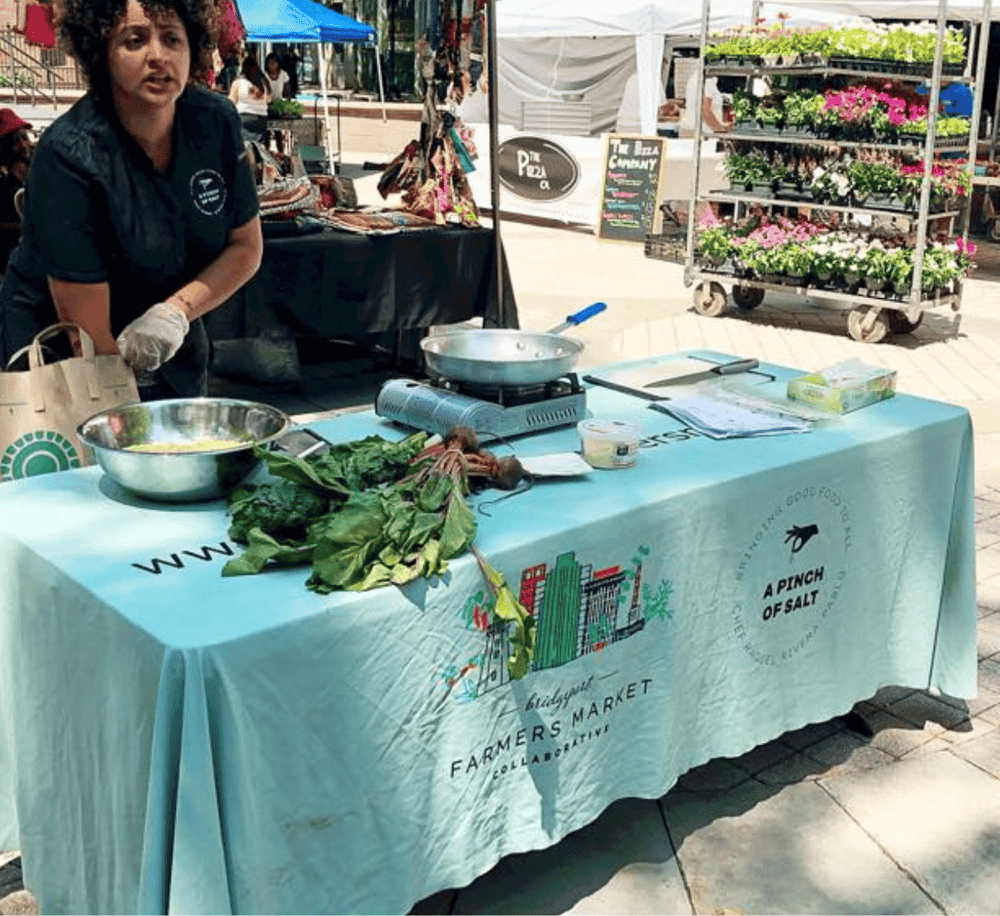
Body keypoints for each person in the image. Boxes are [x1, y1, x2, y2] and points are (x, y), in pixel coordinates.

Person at [0, 0, 262, 399]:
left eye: (172, 38)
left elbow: (245, 246)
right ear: (101, 53)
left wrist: (175, 313)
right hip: (66, 346)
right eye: (135, 40)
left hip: (168, 332)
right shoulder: (68, 155)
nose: (158, 56)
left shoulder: (216, 122)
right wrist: (131, 413)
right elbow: (87, 336)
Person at [0, 108, 34, 275]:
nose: (24, 144)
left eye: (25, 137)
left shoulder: (42, 175)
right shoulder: (3, 185)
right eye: (15, 141)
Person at [229, 54, 271, 138]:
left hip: (243, 118)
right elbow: (269, 99)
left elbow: (231, 102)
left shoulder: (238, 82)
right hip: (261, 119)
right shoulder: (264, 82)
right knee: (258, 146)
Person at [679, 69, 731, 135]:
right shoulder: (708, 79)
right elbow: (706, 112)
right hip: (702, 135)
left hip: (694, 132)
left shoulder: (697, 76)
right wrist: (723, 129)